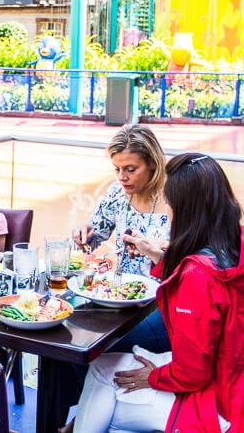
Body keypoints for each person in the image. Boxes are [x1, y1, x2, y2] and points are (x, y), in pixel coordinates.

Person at [70, 153, 244, 433]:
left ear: (186, 210)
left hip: (220, 406)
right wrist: (160, 256)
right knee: (101, 369)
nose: (167, 209)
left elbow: (193, 372)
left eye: (170, 203)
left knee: (102, 390)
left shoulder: (197, 278)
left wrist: (155, 377)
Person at [73, 123, 171, 353]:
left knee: (91, 345)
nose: (122, 177)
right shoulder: (117, 193)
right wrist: (84, 233)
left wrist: (155, 251)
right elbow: (96, 237)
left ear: (153, 165)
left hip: (161, 305)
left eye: (130, 169)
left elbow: (189, 264)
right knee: (68, 335)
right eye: (116, 169)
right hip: (119, 296)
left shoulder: (174, 198)